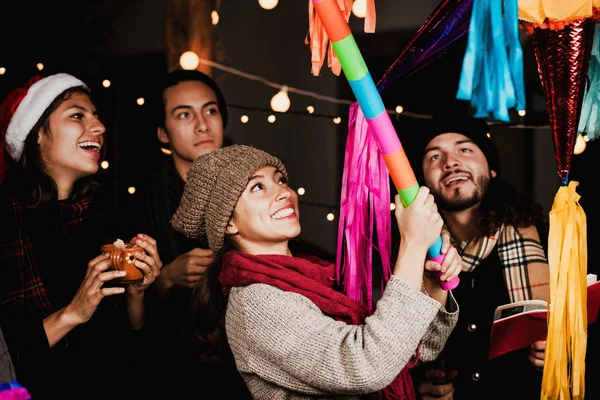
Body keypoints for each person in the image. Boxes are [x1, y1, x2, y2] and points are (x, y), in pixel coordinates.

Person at [170, 144, 461, 399]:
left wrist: (430, 281)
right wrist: (412, 245)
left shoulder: (321, 276)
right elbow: (367, 366)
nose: (283, 192)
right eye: (257, 187)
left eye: (280, 180)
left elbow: (410, 351)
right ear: (228, 223)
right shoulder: (255, 303)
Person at [0, 73, 162, 399]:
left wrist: (137, 293)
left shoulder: (110, 222)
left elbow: (134, 342)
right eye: (78, 115)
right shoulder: (6, 226)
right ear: (37, 136)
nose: (99, 128)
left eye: (96, 116)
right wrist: (73, 312)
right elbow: (7, 360)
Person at [406, 114, 550, 400]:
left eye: (465, 149)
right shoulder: (409, 257)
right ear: (422, 182)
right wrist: (419, 384)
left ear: (492, 169)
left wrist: (561, 353)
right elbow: (393, 346)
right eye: (434, 157)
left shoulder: (549, 240)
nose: (450, 162)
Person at [137, 69, 250, 398]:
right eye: (184, 114)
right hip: (176, 372)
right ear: (162, 133)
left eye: (210, 110)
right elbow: (126, 319)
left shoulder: (252, 183)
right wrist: (167, 277)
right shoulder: (145, 204)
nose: (203, 124)